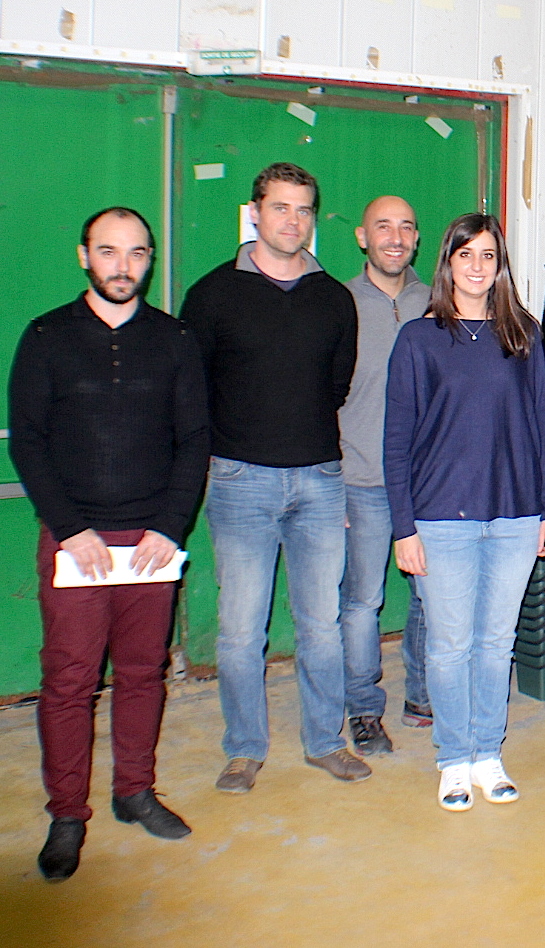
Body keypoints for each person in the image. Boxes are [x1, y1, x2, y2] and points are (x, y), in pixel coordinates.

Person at [10, 207, 210, 881]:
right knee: (68, 683)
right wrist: (70, 530)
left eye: (136, 253)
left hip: (150, 545)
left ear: (149, 259)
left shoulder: (176, 340)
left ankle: (134, 791)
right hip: (77, 544)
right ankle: (68, 812)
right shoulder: (45, 338)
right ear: (83, 256)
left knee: (142, 673)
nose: (123, 265)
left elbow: (194, 442)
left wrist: (168, 527)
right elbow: (29, 443)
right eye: (108, 251)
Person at [180, 162, 367, 792]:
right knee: (240, 627)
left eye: (305, 209)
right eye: (281, 207)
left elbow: (336, 386)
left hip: (318, 478)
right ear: (255, 211)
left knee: (321, 623)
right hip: (240, 481)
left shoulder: (333, 298)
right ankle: (244, 748)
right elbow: (193, 389)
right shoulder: (211, 295)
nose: (293, 220)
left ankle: (324, 740)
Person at [385, 213, 545, 811]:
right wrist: (403, 527)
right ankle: (453, 759)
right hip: (441, 519)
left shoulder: (523, 337)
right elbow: (398, 440)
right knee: (449, 644)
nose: (477, 266)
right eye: (466, 254)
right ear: (448, 262)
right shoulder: (418, 338)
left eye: (488, 255)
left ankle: (488, 752)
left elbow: (544, 427)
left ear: (499, 266)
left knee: (496, 643)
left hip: (514, 516)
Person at [338, 195, 433, 753]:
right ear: (361, 236)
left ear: (417, 239)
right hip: (363, 481)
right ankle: (363, 708)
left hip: (429, 483)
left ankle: (421, 692)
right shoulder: (338, 304)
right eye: (383, 227)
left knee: (429, 595)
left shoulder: (437, 301)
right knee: (362, 601)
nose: (395, 237)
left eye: (406, 226)